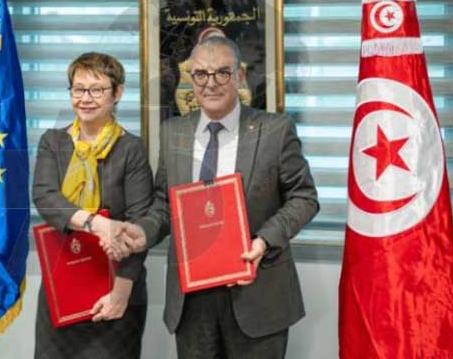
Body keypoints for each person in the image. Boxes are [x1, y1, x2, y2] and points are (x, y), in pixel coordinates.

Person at [125, 36, 319, 358]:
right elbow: (165, 203)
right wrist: (142, 232)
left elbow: (304, 198)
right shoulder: (173, 132)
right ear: (191, 78)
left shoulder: (275, 130)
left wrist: (263, 241)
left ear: (240, 76)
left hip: (256, 294)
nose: (210, 83)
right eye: (201, 74)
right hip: (192, 299)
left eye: (222, 73)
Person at [31, 52, 153, 358]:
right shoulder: (53, 142)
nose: (85, 98)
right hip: (62, 283)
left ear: (117, 93)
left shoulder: (131, 149)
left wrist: (121, 292)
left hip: (116, 285)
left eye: (97, 90)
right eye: (78, 89)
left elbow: (140, 223)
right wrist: (99, 224)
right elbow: (45, 196)